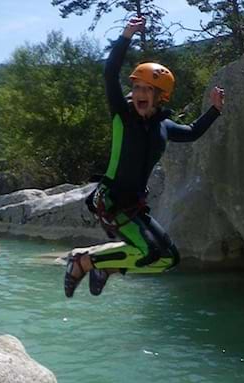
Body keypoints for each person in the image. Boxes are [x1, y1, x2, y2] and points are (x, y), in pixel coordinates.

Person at [64, 16, 225, 298]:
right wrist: (126, 36)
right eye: (137, 87)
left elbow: (192, 132)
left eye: (147, 89)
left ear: (160, 96)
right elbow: (110, 73)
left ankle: (106, 268)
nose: (140, 93)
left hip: (135, 204)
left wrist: (215, 110)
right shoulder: (122, 115)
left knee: (168, 258)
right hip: (112, 200)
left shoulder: (163, 126)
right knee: (149, 250)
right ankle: (85, 262)